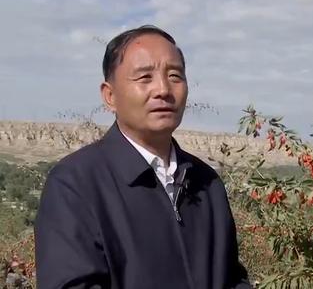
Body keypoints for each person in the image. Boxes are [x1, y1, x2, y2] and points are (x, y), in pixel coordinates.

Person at [34, 25, 251, 289]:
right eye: (145, 77)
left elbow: (231, 278)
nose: (163, 89)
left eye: (174, 75)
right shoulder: (75, 184)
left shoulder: (206, 183)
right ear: (110, 96)